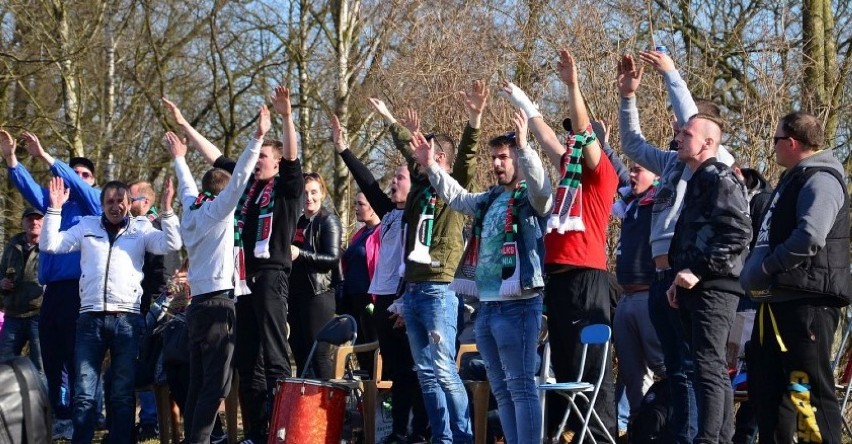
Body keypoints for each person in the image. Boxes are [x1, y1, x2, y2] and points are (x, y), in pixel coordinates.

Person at [163, 87, 303, 444]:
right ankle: (256, 432)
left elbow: (291, 156)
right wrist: (185, 126)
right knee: (244, 363)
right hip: (240, 284)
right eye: (256, 159)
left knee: (273, 357)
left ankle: (281, 430)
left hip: (270, 276)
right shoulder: (242, 192)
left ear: (275, 163)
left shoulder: (284, 188)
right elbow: (219, 159)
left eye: (264, 159)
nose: (258, 163)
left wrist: (286, 117)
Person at [412, 106, 552, 444]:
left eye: (503, 157)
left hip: (519, 306)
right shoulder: (489, 198)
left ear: (517, 158)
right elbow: (458, 198)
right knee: (501, 390)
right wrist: (430, 165)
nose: (497, 164)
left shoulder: (531, 199)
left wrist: (526, 147)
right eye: (494, 158)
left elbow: (543, 188)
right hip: (487, 307)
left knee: (521, 387)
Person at [616, 50, 736, 443]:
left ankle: (696, 436)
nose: (678, 131)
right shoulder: (670, 162)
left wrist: (671, 75)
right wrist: (628, 97)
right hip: (660, 275)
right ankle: (686, 433)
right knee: (676, 367)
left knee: (694, 366)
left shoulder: (711, 163)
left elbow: (693, 123)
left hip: (690, 274)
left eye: (686, 129)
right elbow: (632, 143)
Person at [500, 50, 619, 441]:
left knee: (591, 370)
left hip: (587, 279)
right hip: (559, 280)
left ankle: (601, 437)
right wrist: (524, 101)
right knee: (566, 371)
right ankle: (575, 435)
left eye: (579, 137)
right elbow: (549, 137)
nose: (571, 140)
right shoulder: (569, 176)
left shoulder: (601, 176)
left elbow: (582, 135)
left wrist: (573, 85)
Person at [366, 79, 487, 444]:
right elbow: (407, 149)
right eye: (417, 156)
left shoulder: (453, 187)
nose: (417, 159)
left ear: (441, 160)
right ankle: (443, 437)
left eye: (427, 154)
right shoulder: (419, 187)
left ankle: (463, 438)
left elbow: (466, 155)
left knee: (444, 370)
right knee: (426, 373)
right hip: (414, 291)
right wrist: (389, 119)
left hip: (438, 289)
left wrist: (475, 117)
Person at [40, 177, 182, 444]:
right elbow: (50, 245)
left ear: (129, 204)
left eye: (120, 201)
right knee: (83, 392)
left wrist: (167, 209)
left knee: (121, 391)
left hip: (126, 320)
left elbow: (171, 245)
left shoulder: (141, 229)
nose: (115, 206)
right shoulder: (87, 226)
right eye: (109, 202)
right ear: (102, 204)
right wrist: (55, 208)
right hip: (89, 319)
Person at [740, 111, 851, 444]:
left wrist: (769, 266)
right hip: (774, 304)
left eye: (775, 140)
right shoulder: (793, 178)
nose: (771, 147)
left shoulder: (821, 179)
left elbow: (810, 237)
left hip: (805, 305)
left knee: (808, 394)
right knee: (766, 394)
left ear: (791, 142)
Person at [167, 101, 270, 443]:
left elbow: (185, 187)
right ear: (222, 194)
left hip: (197, 307)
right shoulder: (218, 212)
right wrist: (257, 138)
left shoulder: (192, 211)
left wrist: (180, 157)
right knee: (216, 386)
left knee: (199, 382)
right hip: (218, 307)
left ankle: (192, 439)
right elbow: (241, 176)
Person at [331, 115, 429, 443]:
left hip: (406, 299)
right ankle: (398, 431)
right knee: (396, 374)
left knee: (413, 372)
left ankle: (419, 431)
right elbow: (368, 183)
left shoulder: (417, 213)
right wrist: (344, 149)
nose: (393, 182)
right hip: (382, 299)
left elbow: (414, 261)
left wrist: (404, 131)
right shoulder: (389, 213)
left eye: (399, 177)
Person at [0, 129, 101, 440]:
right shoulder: (56, 206)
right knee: (52, 357)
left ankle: (83, 415)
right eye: (74, 173)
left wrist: (45, 155)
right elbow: (30, 190)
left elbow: (81, 190)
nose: (77, 178)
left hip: (77, 290)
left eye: (84, 174)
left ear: (92, 180)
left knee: (76, 357)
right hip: (52, 293)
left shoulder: (91, 205)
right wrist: (12, 158)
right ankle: (60, 416)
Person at [666, 113, 751, 443]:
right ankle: (719, 438)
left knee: (709, 365)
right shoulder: (698, 179)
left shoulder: (718, 177)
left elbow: (739, 232)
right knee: (704, 366)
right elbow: (694, 238)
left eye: (687, 134)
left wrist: (697, 272)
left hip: (715, 287)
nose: (679, 139)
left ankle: (711, 439)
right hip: (694, 286)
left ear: (708, 143)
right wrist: (677, 279)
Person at [126, 179, 182, 440]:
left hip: (161, 305)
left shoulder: (157, 228)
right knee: (144, 364)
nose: (125, 204)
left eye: (130, 199)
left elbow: (164, 270)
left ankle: (153, 422)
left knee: (151, 364)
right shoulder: (135, 228)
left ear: (145, 203)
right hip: (143, 303)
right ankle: (149, 420)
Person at [611, 162, 666, 417]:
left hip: (649, 294)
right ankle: (642, 428)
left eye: (638, 170)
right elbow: (619, 173)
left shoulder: (660, 200)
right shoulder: (631, 201)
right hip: (625, 297)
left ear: (656, 175)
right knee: (632, 374)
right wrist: (604, 146)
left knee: (663, 364)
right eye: (630, 169)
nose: (632, 175)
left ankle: (676, 423)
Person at [289, 172, 341, 379]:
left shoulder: (328, 221)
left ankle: (327, 406)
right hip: (296, 295)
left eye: (313, 192)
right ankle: (305, 407)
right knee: (300, 353)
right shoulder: (298, 222)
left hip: (318, 295)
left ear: (322, 194)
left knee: (318, 354)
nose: (308, 198)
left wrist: (300, 254)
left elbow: (332, 258)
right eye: (304, 193)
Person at [0, 207, 45, 380]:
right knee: (4, 367)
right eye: (30, 219)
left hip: (38, 315)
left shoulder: (50, 246)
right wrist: (2, 282)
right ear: (23, 223)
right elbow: (1, 272)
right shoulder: (12, 245)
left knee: (41, 367)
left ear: (44, 223)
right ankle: (6, 406)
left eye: (38, 219)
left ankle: (42, 406)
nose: (34, 222)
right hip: (12, 315)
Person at [338, 191, 381, 371]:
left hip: (370, 301)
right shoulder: (360, 233)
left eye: (360, 204)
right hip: (354, 301)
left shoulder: (382, 232)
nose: (355, 208)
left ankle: (379, 392)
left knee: (372, 350)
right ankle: (366, 393)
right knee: (360, 350)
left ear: (372, 208)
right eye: (355, 203)